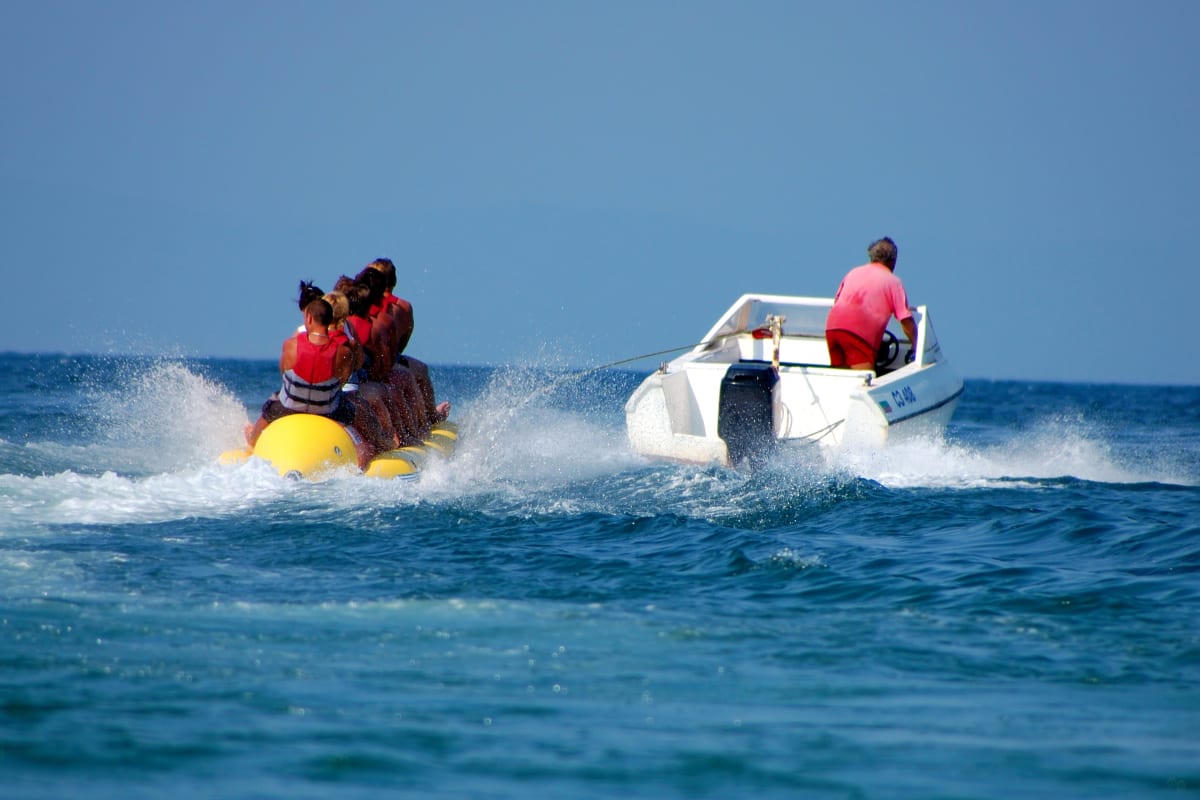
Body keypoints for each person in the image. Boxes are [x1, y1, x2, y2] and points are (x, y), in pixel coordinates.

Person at [244, 293, 389, 468]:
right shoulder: (342, 352)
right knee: (361, 411)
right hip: (328, 410)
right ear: (330, 320)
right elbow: (341, 381)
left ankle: (253, 440)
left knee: (269, 407)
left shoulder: (291, 345)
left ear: (309, 317)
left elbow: (284, 373)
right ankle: (381, 444)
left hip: (289, 408)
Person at [825, 236, 917, 370]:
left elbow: (837, 301)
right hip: (858, 335)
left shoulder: (853, 273)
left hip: (833, 329)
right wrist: (917, 346)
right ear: (893, 261)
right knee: (862, 381)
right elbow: (905, 320)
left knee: (840, 379)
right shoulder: (893, 282)